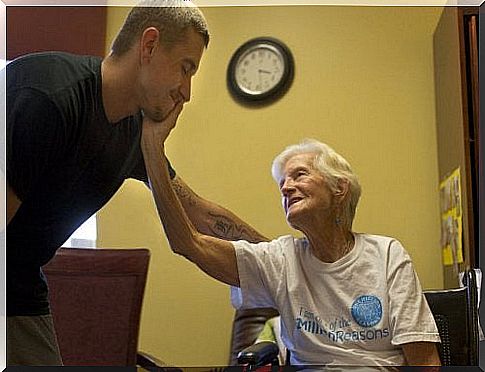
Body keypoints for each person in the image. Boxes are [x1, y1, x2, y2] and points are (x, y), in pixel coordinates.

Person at [6, 0, 267, 366]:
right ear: (149, 45)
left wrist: (284, 260)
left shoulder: (134, 134)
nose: (187, 91)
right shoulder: (48, 98)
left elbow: (199, 215)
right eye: (185, 68)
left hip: (18, 283)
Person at [140, 114, 442, 367]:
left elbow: (425, 362)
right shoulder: (281, 258)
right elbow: (190, 243)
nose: (286, 188)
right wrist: (152, 154)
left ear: (339, 188)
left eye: (299, 175)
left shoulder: (386, 254)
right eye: (282, 182)